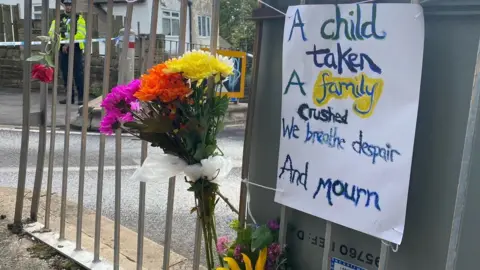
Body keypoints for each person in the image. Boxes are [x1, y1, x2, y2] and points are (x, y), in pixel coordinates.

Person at [48, 0, 87, 105]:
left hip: (76, 48)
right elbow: (52, 33)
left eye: (70, 5)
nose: (68, 7)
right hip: (62, 49)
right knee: (65, 74)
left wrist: (68, 44)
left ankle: (81, 97)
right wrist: (62, 43)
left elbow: (81, 34)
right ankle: (69, 97)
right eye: (67, 5)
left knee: (78, 73)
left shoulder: (79, 18)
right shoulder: (58, 19)